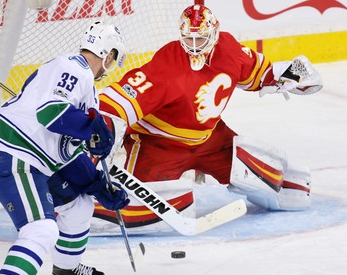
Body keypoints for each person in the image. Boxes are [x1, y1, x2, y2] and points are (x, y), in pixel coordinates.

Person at [98, 4, 323, 211]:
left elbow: (261, 74)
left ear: (214, 33)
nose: (194, 46)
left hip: (211, 140)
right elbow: (121, 99)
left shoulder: (230, 50)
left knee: (290, 188)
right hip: (159, 145)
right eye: (188, 38)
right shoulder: (167, 64)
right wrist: (100, 123)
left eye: (201, 39)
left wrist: (292, 74)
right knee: (134, 204)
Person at [0, 21, 130, 275]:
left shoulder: (87, 89)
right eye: (114, 58)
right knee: (41, 230)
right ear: (108, 54)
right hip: (14, 157)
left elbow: (65, 152)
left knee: (80, 206)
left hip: (36, 161)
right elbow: (51, 112)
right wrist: (91, 127)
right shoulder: (73, 67)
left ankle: (66, 269)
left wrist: (97, 184)